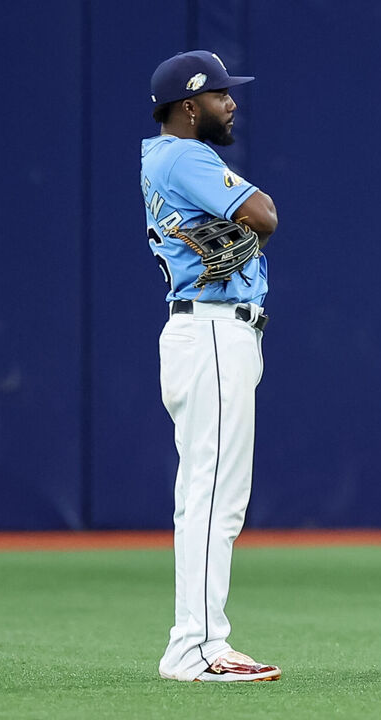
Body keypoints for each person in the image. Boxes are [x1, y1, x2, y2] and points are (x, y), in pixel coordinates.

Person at [143, 50, 282, 682]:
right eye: (223, 95)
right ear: (189, 106)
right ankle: (194, 648)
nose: (233, 104)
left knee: (217, 497)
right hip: (213, 333)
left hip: (208, 332)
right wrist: (250, 225)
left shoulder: (161, 159)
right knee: (210, 496)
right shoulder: (189, 157)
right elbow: (265, 216)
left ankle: (202, 640)